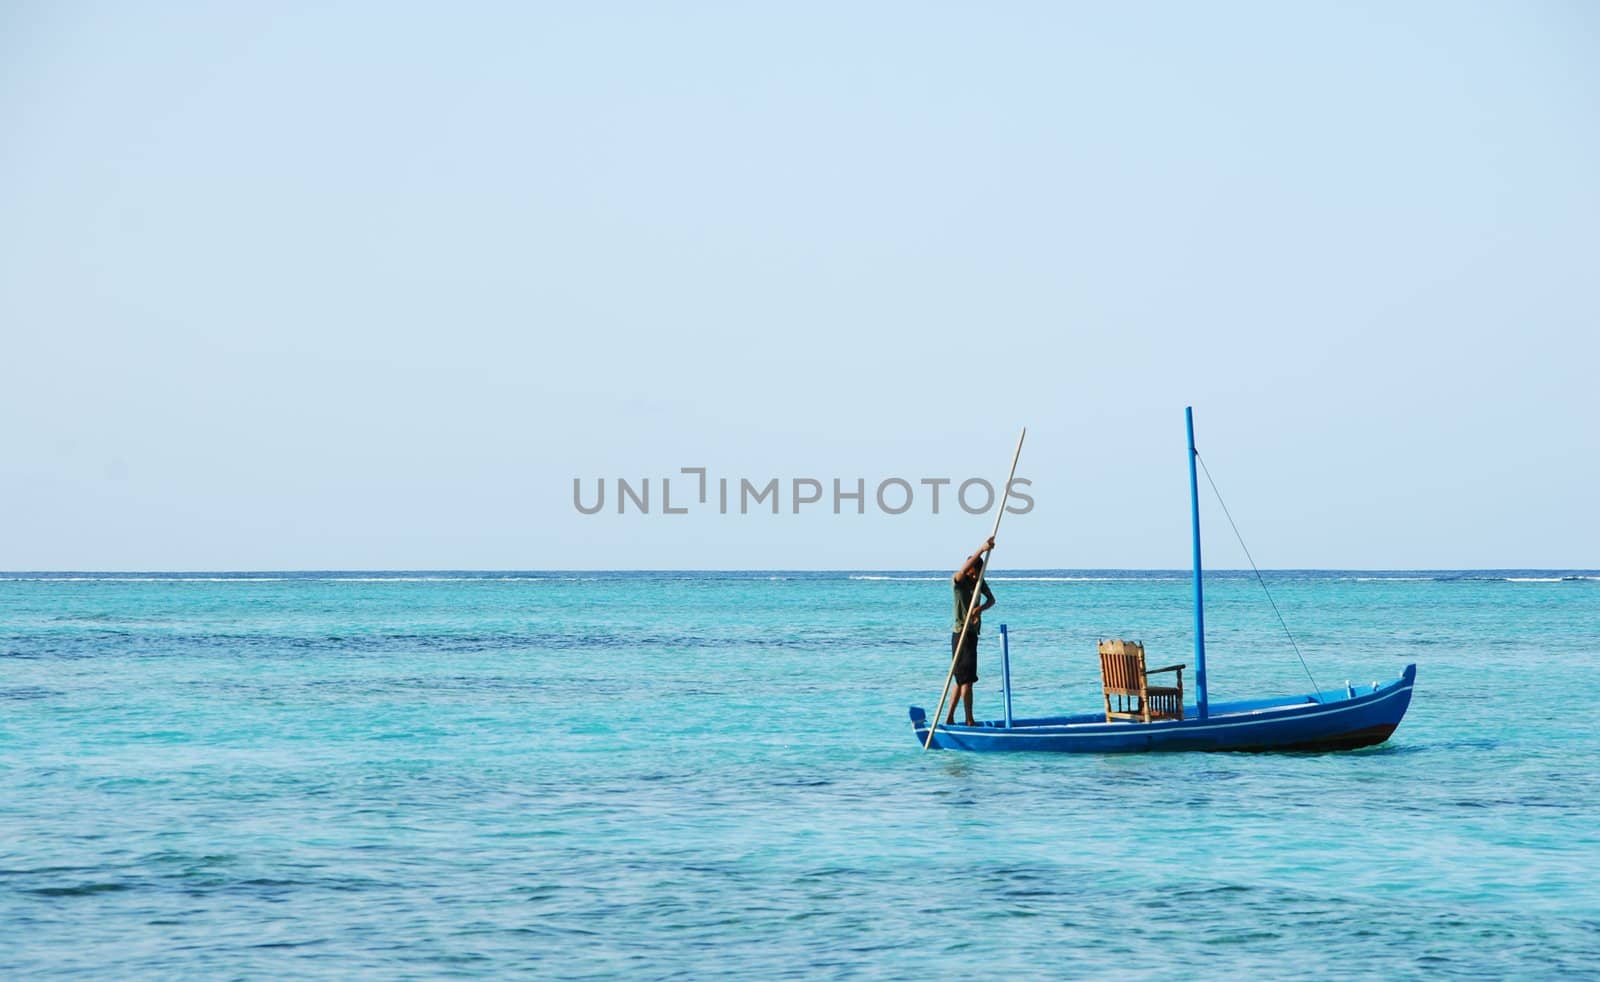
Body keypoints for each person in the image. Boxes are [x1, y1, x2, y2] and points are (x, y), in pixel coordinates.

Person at [948, 535, 996, 726]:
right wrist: (982, 549)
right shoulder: (959, 582)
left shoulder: (979, 583)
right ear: (970, 570)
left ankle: (951, 718)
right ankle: (969, 720)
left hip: (972, 634)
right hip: (961, 634)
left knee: (962, 681)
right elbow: (962, 570)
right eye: (975, 572)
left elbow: (992, 600)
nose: (977, 576)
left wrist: (980, 609)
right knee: (965, 681)